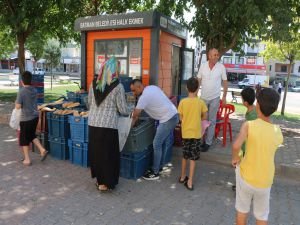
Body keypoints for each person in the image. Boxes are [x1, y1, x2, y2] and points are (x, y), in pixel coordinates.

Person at [232, 88, 283, 225]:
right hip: (265, 180)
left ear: (258, 105)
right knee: (262, 216)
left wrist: (235, 158)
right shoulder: (278, 132)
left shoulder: (248, 125)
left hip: (246, 177)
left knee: (242, 212)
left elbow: (236, 146)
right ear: (275, 108)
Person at [88, 57, 129, 192]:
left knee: (97, 153)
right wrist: (131, 110)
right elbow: (122, 109)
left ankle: (100, 180)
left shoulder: (93, 83)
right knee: (108, 155)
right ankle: (106, 183)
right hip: (108, 125)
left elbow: (89, 103)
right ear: (114, 70)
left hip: (93, 123)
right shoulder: (118, 86)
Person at [130, 79, 179, 180]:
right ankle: (162, 166)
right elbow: (163, 95)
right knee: (164, 141)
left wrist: (129, 129)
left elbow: (135, 115)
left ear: (139, 87)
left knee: (156, 143)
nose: (133, 93)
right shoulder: (152, 87)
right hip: (173, 114)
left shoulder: (143, 98)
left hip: (167, 119)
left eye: (134, 90)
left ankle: (155, 171)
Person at [177, 77, 207, 190]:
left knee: (185, 156)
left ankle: (182, 176)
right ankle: (190, 181)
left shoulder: (183, 102)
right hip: (196, 134)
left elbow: (180, 117)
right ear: (198, 88)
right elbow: (205, 116)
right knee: (193, 158)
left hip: (186, 134)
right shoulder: (201, 102)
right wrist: (198, 118)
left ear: (186, 88)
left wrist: (185, 120)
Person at [197, 48, 228, 152]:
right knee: (201, 120)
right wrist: (195, 94)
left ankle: (208, 143)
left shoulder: (221, 67)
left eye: (217, 55)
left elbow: (225, 82)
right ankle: (200, 140)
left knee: (212, 121)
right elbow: (199, 80)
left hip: (215, 98)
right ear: (209, 56)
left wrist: (224, 96)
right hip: (203, 98)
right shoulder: (203, 66)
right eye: (214, 55)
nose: (216, 56)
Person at [15, 71, 48, 166]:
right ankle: (42, 150)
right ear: (31, 81)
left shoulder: (21, 91)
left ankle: (27, 159)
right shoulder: (34, 90)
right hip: (35, 117)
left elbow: (17, 106)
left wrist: (16, 102)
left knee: (24, 139)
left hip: (26, 119)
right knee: (31, 135)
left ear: (22, 81)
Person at [232, 87, 257, 191]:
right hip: (248, 146)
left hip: (248, 147)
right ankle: (240, 185)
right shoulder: (254, 109)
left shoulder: (252, 116)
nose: (241, 101)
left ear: (245, 103)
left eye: (242, 99)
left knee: (243, 167)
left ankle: (243, 187)